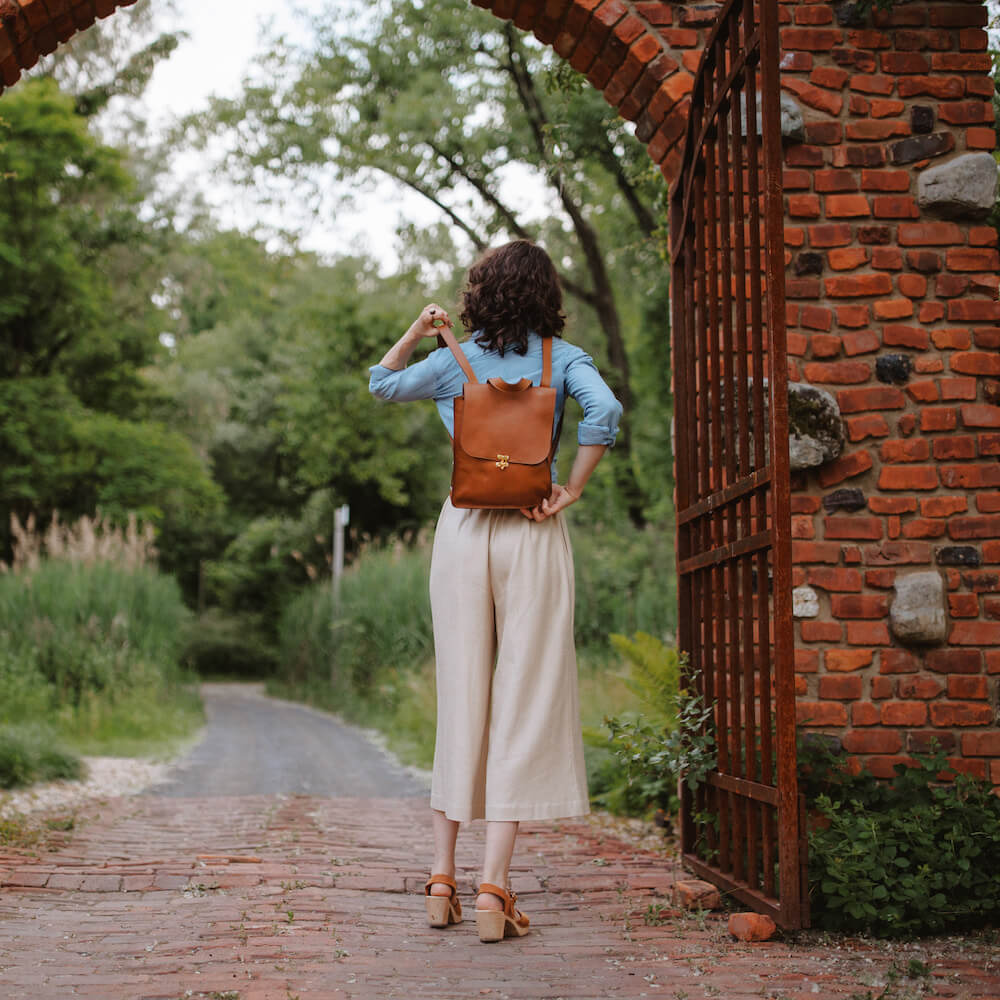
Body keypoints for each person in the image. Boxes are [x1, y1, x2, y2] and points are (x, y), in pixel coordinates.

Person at [368, 239, 622, 942]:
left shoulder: (456, 361)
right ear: (548, 297)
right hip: (531, 530)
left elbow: (380, 385)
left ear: (479, 293)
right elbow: (606, 414)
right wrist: (572, 487)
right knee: (525, 699)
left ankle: (442, 876)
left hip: (462, 531)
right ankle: (492, 887)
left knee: (464, 694)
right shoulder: (564, 361)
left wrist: (417, 332)